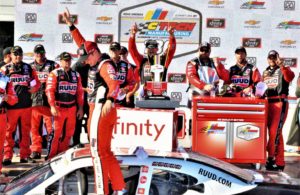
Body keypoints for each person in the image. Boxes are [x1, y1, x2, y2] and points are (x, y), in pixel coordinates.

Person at [63, 8, 126, 195]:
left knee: (97, 154)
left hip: (100, 110)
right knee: (105, 152)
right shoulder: (93, 56)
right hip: (95, 110)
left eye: (86, 58)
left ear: (94, 53)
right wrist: (71, 26)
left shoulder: (104, 64)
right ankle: (119, 187)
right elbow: (83, 43)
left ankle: (102, 191)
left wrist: (111, 99)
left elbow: (115, 82)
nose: (84, 62)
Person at [1, 46, 40, 165]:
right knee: (9, 132)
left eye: (20, 54)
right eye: (15, 54)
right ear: (10, 56)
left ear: (22, 55)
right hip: (11, 106)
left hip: (26, 105)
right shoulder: (5, 69)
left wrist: (35, 88)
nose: (17, 56)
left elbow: (36, 82)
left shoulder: (28, 67)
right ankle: (7, 156)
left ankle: (25, 155)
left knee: (25, 131)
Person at [45, 52, 84, 159]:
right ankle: (51, 157)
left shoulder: (76, 75)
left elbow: (80, 92)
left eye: (69, 60)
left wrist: (80, 108)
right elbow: (49, 90)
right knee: (55, 134)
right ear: (61, 61)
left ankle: (61, 156)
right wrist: (52, 106)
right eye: (65, 60)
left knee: (68, 134)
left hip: (72, 108)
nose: (67, 62)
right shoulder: (54, 73)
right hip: (58, 108)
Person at [262, 50, 295, 171]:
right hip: (267, 104)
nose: (271, 59)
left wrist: (282, 66)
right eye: (269, 57)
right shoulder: (265, 72)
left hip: (280, 103)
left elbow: (290, 77)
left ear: (277, 58)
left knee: (273, 132)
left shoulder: (283, 69)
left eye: (274, 57)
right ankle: (280, 161)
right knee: (277, 133)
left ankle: (271, 158)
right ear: (267, 59)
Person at [30, 44, 59, 159]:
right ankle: (35, 150)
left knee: (51, 129)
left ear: (45, 53)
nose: (39, 55)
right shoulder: (29, 67)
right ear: (34, 54)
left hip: (48, 102)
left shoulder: (52, 65)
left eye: (41, 52)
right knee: (34, 128)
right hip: (34, 102)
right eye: (37, 53)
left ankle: (51, 150)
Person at [0, 72, 18, 174]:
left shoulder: (5, 79)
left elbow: (14, 99)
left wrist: (8, 98)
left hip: (2, 115)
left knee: (1, 145)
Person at [108, 43, 136, 108]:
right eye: (112, 50)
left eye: (116, 49)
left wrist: (126, 89)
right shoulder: (105, 64)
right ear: (109, 51)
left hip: (122, 96)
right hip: (108, 96)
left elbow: (132, 82)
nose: (114, 52)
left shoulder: (127, 65)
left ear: (119, 51)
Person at [71, 61, 89, 146]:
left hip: (91, 99)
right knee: (78, 121)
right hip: (79, 98)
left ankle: (91, 141)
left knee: (90, 122)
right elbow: (74, 84)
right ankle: (76, 142)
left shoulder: (93, 65)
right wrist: (85, 89)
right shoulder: (75, 67)